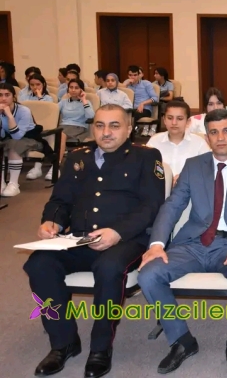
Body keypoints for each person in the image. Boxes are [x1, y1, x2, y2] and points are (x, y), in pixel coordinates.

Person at [22, 104, 166, 378]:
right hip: (80, 238)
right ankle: (63, 343)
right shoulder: (78, 157)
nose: (106, 132)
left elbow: (152, 205)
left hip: (127, 240)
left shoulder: (146, 156)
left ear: (128, 129)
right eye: (100, 125)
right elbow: (60, 200)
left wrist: (117, 232)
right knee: (39, 264)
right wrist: (52, 221)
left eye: (114, 125)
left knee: (109, 268)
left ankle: (100, 348)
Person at [137, 109, 227, 377]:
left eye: (226, 131)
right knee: (149, 274)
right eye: (213, 132)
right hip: (194, 243)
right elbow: (172, 206)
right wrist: (157, 244)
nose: (220, 137)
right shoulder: (193, 165)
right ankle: (182, 340)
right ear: (207, 137)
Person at [146, 100, 211, 186]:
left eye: (179, 119)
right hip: (159, 189)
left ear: (188, 122)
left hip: (190, 190)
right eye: (170, 118)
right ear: (164, 120)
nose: (174, 123)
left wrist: (186, 179)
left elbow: (208, 170)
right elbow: (146, 169)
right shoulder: (154, 142)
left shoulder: (199, 143)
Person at [0, 83, 47, 197]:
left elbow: (17, 136)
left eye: (7, 95)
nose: (4, 98)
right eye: (0, 95)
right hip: (9, 138)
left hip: (30, 139)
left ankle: (13, 184)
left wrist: (9, 116)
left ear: (14, 97)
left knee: (14, 144)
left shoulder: (24, 111)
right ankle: (1, 182)